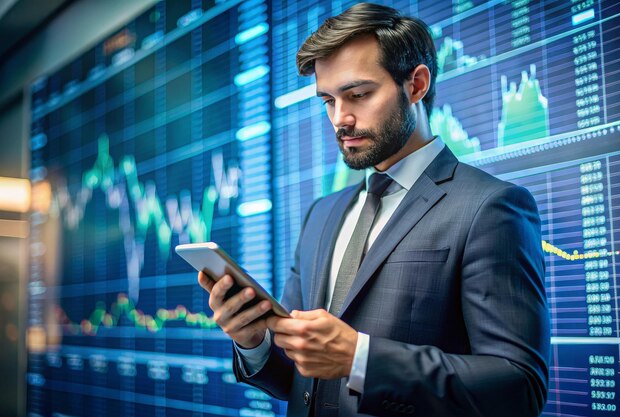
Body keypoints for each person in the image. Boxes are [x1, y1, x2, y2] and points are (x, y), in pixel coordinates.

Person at [198, 3, 550, 416]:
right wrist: (252, 341)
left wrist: (360, 359)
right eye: (328, 100)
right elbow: (298, 380)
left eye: (358, 94)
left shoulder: (489, 207)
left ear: (416, 85)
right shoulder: (321, 215)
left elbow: (519, 387)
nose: (339, 119)